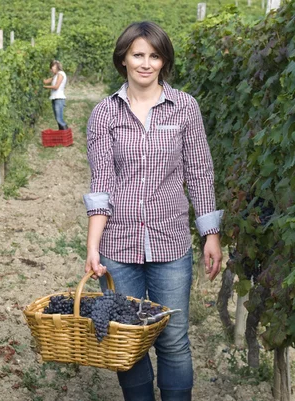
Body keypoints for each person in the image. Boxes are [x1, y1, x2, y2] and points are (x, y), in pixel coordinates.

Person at [82, 21, 223, 401]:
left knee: (173, 338)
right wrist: (93, 247)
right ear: (124, 59)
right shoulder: (103, 114)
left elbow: (199, 171)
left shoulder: (186, 108)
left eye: (154, 56)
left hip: (171, 243)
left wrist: (211, 234)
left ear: (164, 61)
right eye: (138, 54)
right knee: (128, 339)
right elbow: (101, 186)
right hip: (118, 245)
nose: (146, 63)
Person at [43, 60, 68, 130]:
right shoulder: (55, 76)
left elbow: (56, 87)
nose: (51, 70)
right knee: (57, 119)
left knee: (59, 119)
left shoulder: (61, 74)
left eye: (52, 68)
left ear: (55, 66)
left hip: (59, 98)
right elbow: (45, 81)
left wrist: (45, 87)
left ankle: (66, 133)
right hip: (54, 98)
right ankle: (62, 134)